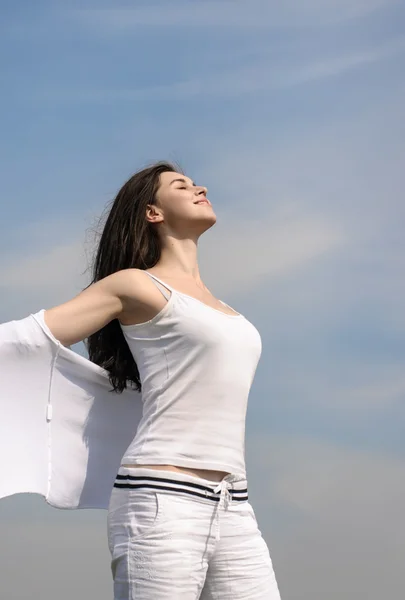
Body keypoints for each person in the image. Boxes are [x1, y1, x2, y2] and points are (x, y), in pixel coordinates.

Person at [43, 161, 282, 599]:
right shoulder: (137, 286)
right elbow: (33, 337)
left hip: (234, 503)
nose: (200, 187)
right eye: (181, 185)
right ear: (153, 212)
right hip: (161, 502)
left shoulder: (224, 307)